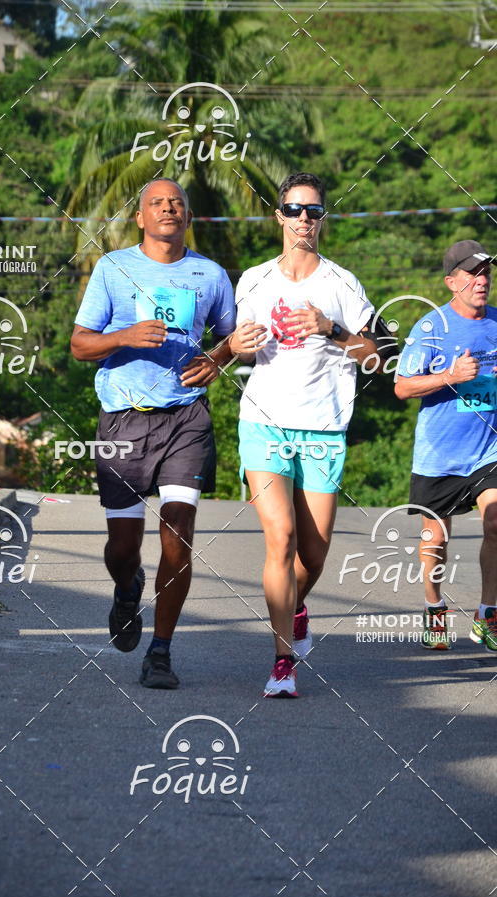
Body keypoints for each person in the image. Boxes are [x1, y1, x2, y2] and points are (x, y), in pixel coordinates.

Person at [228, 172, 390, 697]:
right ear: (278, 215)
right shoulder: (254, 279)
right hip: (264, 423)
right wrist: (241, 345)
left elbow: (375, 358)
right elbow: (241, 346)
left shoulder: (341, 284)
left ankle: (296, 607)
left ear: (323, 219)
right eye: (294, 210)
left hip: (322, 427)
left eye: (313, 212)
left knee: (313, 556)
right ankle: (282, 663)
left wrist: (332, 329)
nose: (303, 219)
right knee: (281, 538)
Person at [71, 178, 235, 689]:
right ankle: (126, 588)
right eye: (157, 203)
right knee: (123, 547)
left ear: (188, 217)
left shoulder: (209, 274)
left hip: (185, 418)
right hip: (123, 417)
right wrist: (123, 337)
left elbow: (233, 337)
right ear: (140, 217)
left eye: (177, 203)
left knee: (179, 537)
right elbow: (79, 344)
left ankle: (160, 652)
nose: (168, 209)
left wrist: (218, 357)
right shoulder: (114, 267)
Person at [395, 239, 497, 653]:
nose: (482, 280)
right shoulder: (430, 328)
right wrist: (450, 375)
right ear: (451, 281)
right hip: (439, 454)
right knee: (435, 541)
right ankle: (434, 610)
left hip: (487, 450)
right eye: (473, 273)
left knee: (495, 522)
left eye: (486, 272)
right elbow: (402, 386)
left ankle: (488, 614)